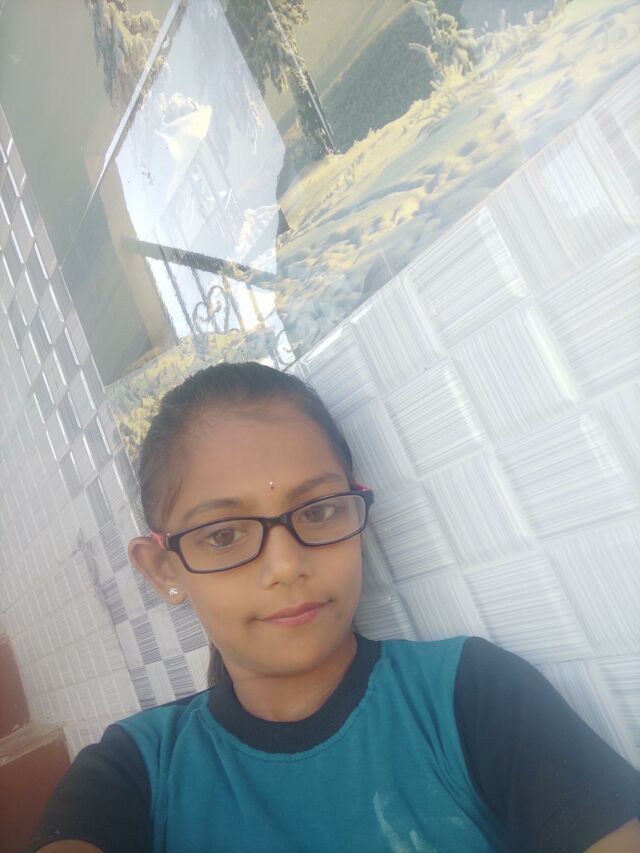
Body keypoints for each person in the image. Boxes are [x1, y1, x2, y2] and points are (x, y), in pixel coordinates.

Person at [31, 362, 639, 853]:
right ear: (165, 569)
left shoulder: (470, 694)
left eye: (319, 510)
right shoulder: (135, 771)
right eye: (224, 534)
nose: (286, 565)